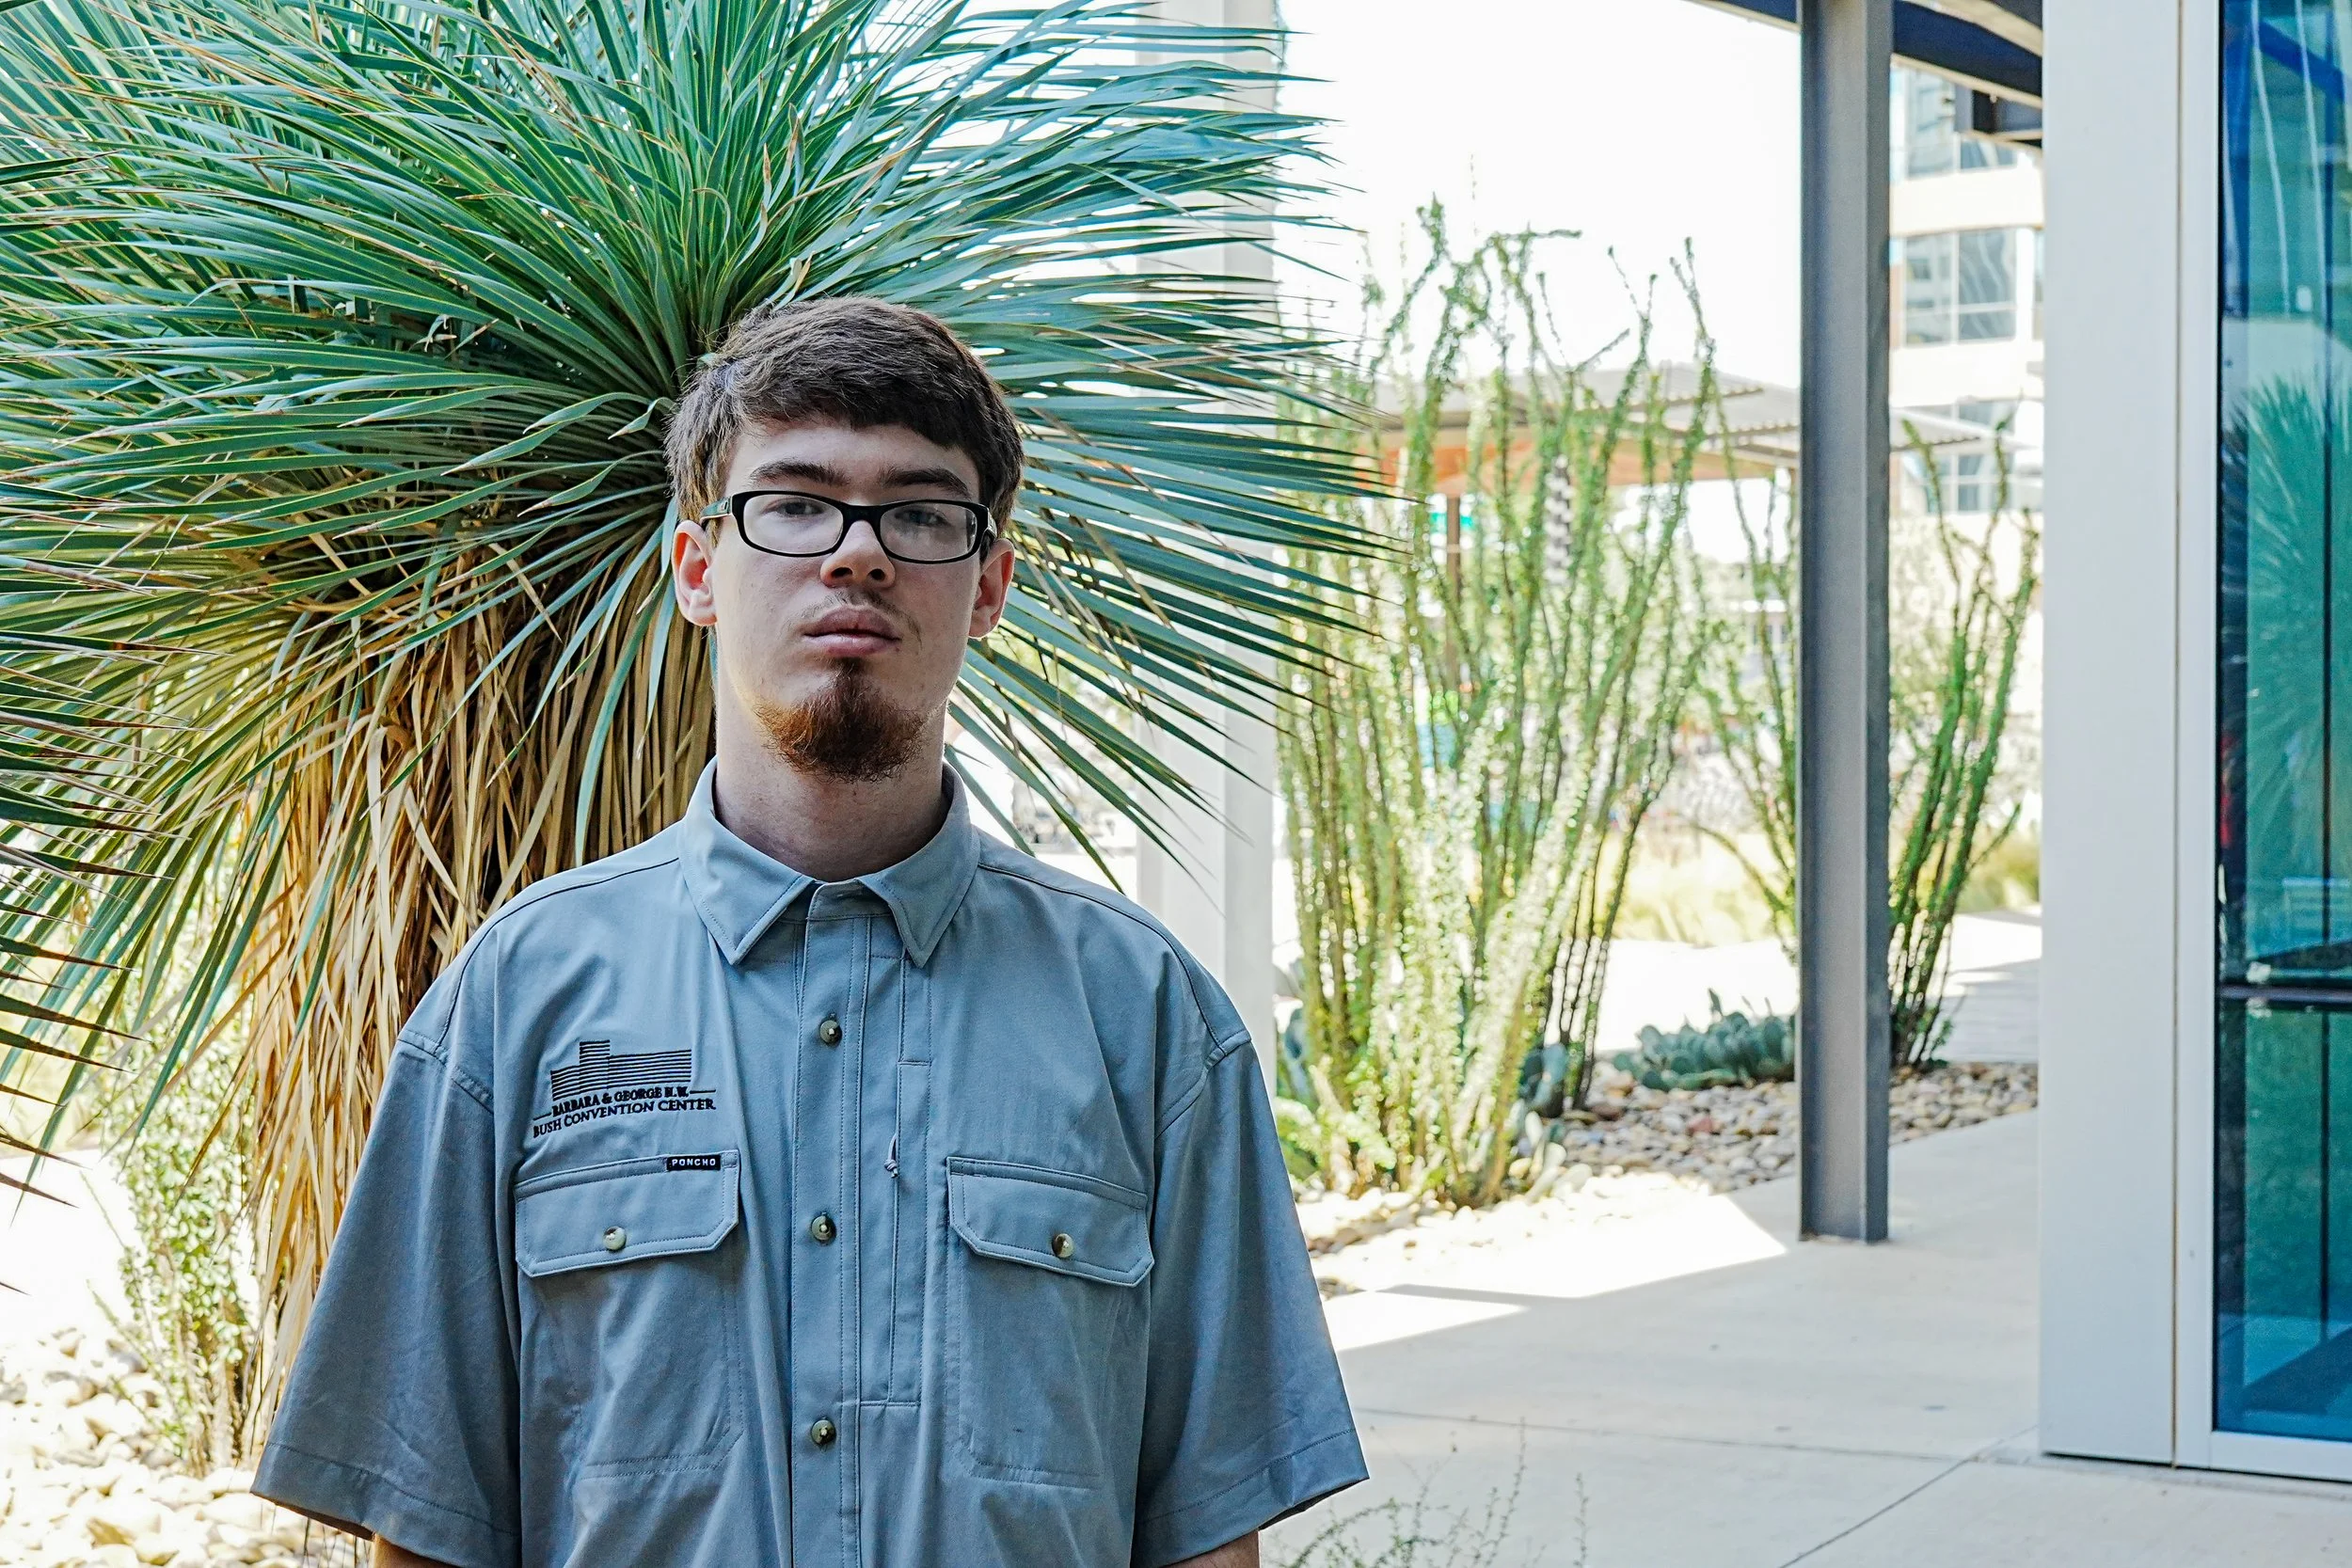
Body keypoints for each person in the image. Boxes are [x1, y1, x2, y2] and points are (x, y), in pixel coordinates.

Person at [250, 297, 1366, 1568]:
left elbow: (1209, 1532)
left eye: (920, 512)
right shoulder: (518, 1001)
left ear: (988, 583)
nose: (856, 555)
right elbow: (429, 1528)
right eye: (792, 503)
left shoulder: (1148, 1019)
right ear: (696, 567)